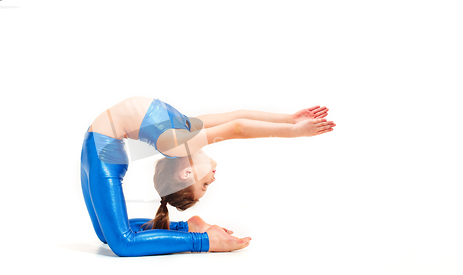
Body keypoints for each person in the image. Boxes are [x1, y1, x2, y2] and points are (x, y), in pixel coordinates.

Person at [80, 96, 335, 257]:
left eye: (203, 185)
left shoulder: (176, 145)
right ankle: (188, 227)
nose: (212, 180)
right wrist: (290, 120)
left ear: (186, 173)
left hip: (102, 154)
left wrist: (295, 130)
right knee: (108, 236)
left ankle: (204, 240)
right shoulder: (180, 133)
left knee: (120, 243)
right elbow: (237, 115)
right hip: (99, 148)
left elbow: (238, 126)